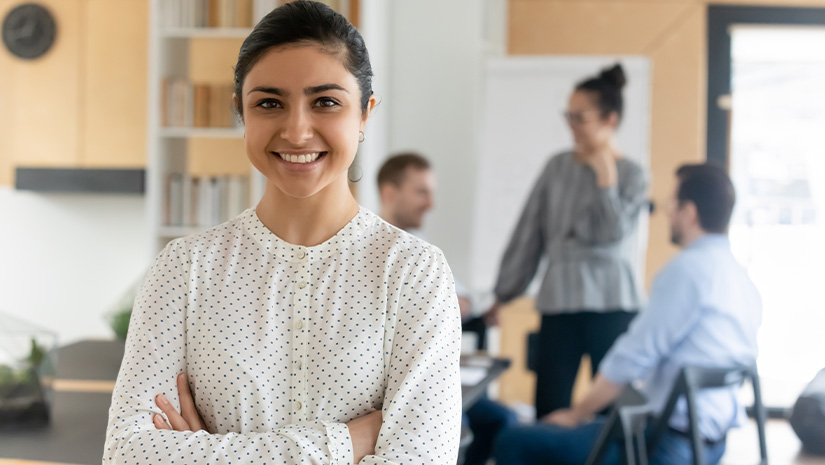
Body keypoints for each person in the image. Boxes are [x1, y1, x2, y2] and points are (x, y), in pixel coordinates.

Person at [102, 3, 462, 464]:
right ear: (242, 113)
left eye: (326, 102)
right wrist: (344, 444)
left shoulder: (414, 272)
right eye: (269, 103)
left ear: (365, 115)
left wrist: (204, 451)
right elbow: (129, 453)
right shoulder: (184, 269)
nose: (296, 130)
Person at [493, 163, 762, 465]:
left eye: (671, 203)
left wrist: (576, 414)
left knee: (514, 439)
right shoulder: (742, 279)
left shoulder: (686, 272)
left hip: (664, 445)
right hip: (711, 445)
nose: (667, 213)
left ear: (690, 212)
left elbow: (632, 358)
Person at [485, 64, 649, 419]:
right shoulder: (557, 167)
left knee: (611, 408)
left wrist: (606, 178)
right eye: (568, 116)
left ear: (610, 119)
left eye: (580, 117)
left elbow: (613, 234)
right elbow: (528, 234)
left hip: (614, 302)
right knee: (550, 403)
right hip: (559, 299)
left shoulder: (633, 175)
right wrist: (504, 293)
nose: (571, 126)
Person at [377, 153, 518, 465]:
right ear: (390, 193)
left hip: (440, 381)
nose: (431, 203)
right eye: (422, 192)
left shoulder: (421, 251)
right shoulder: (373, 255)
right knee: (456, 428)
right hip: (404, 394)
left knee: (505, 420)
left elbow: (460, 297)